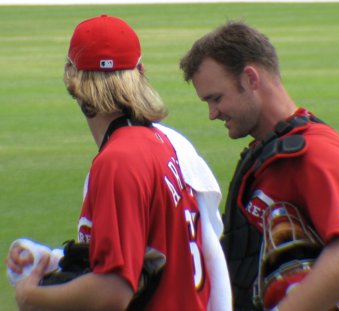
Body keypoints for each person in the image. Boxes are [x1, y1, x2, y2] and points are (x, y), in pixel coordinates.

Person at [6, 15, 232, 311]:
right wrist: (51, 260)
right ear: (140, 72)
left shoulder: (118, 161)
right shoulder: (164, 144)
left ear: (71, 80)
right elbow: (148, 256)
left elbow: (114, 291)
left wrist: (30, 296)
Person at [180, 21, 339, 311]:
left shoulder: (316, 151)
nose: (212, 114)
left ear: (251, 78)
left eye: (216, 98)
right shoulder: (265, 152)